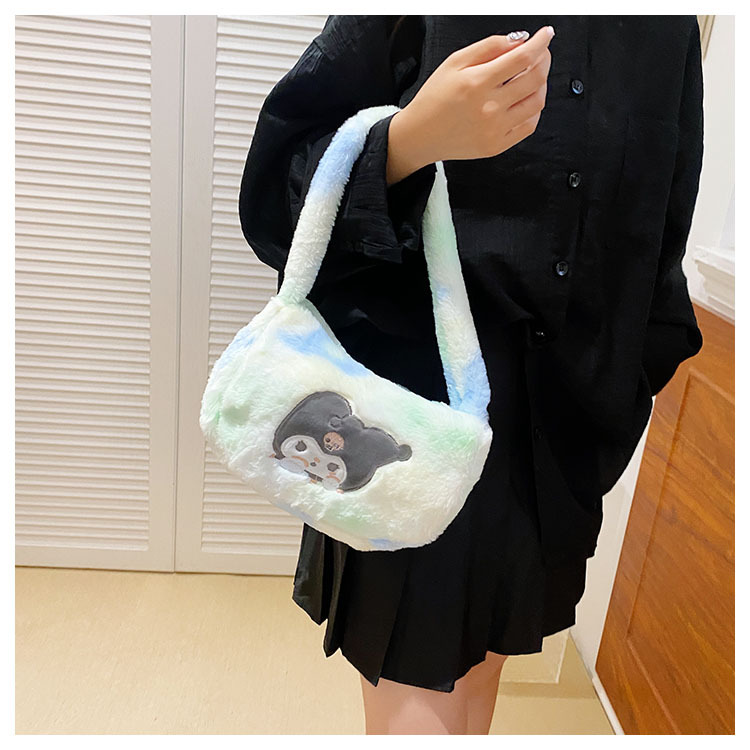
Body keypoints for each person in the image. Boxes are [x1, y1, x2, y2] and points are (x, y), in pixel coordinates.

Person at [238, 16, 704, 734]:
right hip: (410, 424)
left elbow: (659, 235)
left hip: (559, 438)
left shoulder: (665, 28)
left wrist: (615, 395)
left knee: (479, 684)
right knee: (419, 699)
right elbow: (279, 186)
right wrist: (411, 139)